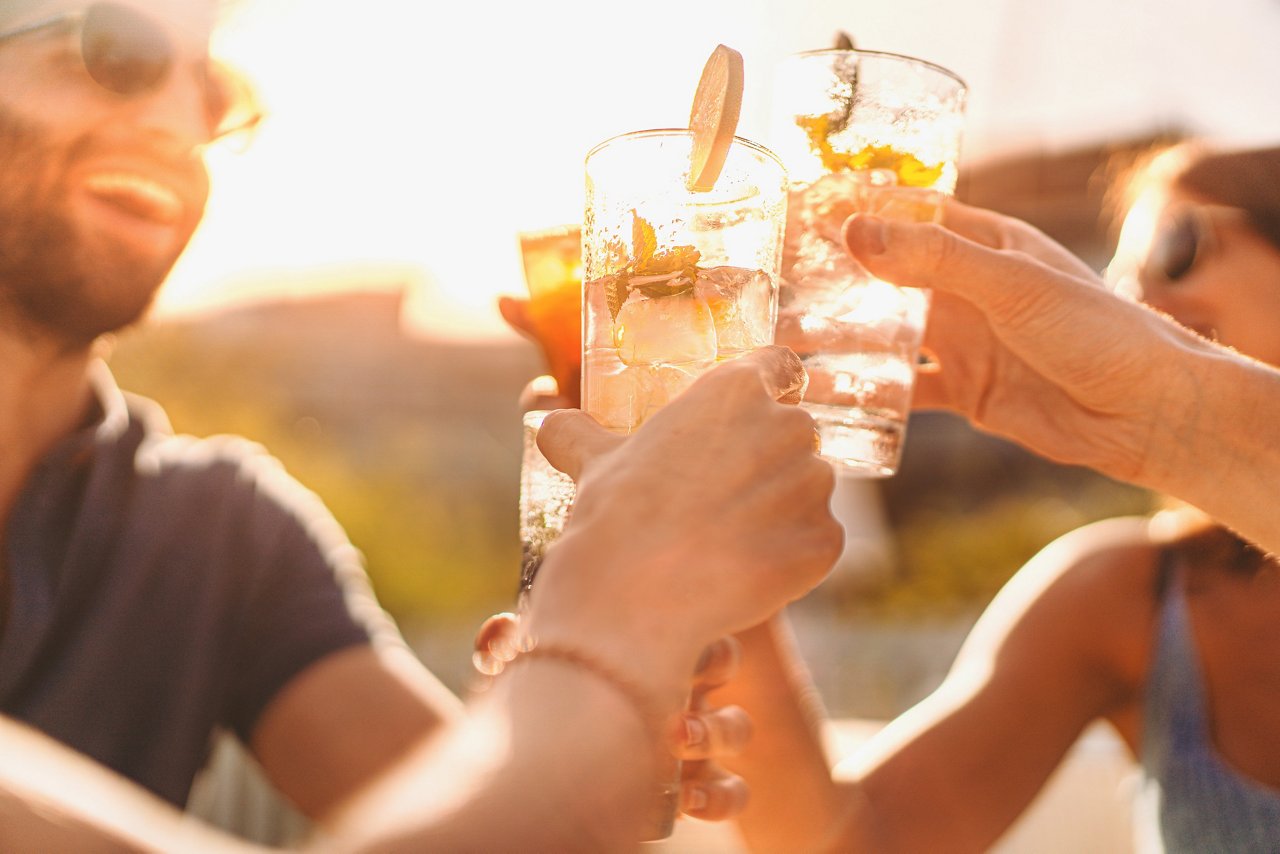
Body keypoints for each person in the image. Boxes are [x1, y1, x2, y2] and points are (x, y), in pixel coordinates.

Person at [0, 0, 839, 843]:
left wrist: (573, 695)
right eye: (118, 55)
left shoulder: (221, 530)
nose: (178, 129)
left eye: (212, 99)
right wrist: (595, 660)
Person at [712, 144, 1280, 853]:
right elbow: (851, 846)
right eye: (1119, 287)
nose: (1137, 310)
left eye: (1177, 246)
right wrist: (716, 563)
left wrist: (1177, 416)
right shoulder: (1133, 597)